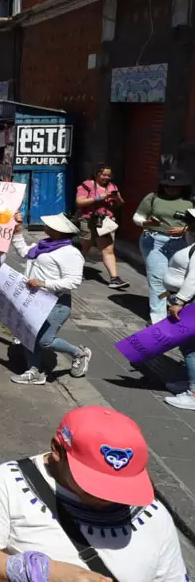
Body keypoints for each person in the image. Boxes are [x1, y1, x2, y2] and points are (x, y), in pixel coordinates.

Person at [0, 406, 187, 582]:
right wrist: (45, 573)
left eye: (123, 484)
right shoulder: (10, 482)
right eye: (96, 482)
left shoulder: (154, 513)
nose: (110, 496)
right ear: (57, 450)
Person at [9, 213, 90, 386]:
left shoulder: (71, 253)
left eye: (50, 225)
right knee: (29, 336)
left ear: (59, 230)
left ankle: (79, 353)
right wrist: (18, 232)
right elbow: (24, 252)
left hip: (56, 303)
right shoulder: (44, 245)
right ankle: (33, 371)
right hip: (33, 300)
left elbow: (74, 281)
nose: (45, 225)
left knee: (45, 341)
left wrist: (44, 283)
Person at [133, 169, 194, 324]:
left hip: (182, 244)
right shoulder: (153, 197)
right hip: (154, 242)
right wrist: (146, 222)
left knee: (174, 283)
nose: (170, 189)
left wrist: (184, 229)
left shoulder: (191, 201)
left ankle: (171, 304)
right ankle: (157, 318)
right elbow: (138, 217)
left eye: (175, 186)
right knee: (157, 281)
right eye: (167, 185)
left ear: (183, 186)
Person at [156, 208, 195, 411]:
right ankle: (190, 383)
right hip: (187, 300)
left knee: (191, 349)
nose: (188, 223)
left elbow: (193, 279)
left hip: (189, 303)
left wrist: (180, 300)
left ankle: (194, 394)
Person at [75, 164, 127, 290]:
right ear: (96, 174)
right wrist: (99, 197)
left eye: (109, 175)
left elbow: (121, 203)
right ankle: (75, 272)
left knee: (108, 249)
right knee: (85, 246)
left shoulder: (112, 187)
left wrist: (116, 198)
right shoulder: (86, 185)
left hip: (105, 222)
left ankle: (114, 278)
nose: (106, 178)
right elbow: (79, 202)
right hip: (88, 220)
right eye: (104, 175)